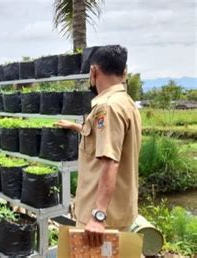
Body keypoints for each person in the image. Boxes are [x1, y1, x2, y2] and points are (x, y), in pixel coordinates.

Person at [56, 45, 141, 247]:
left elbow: (110, 161)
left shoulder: (107, 108)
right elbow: (103, 138)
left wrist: (98, 216)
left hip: (101, 219)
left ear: (93, 71)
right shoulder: (125, 102)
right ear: (124, 72)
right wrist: (76, 127)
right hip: (119, 211)